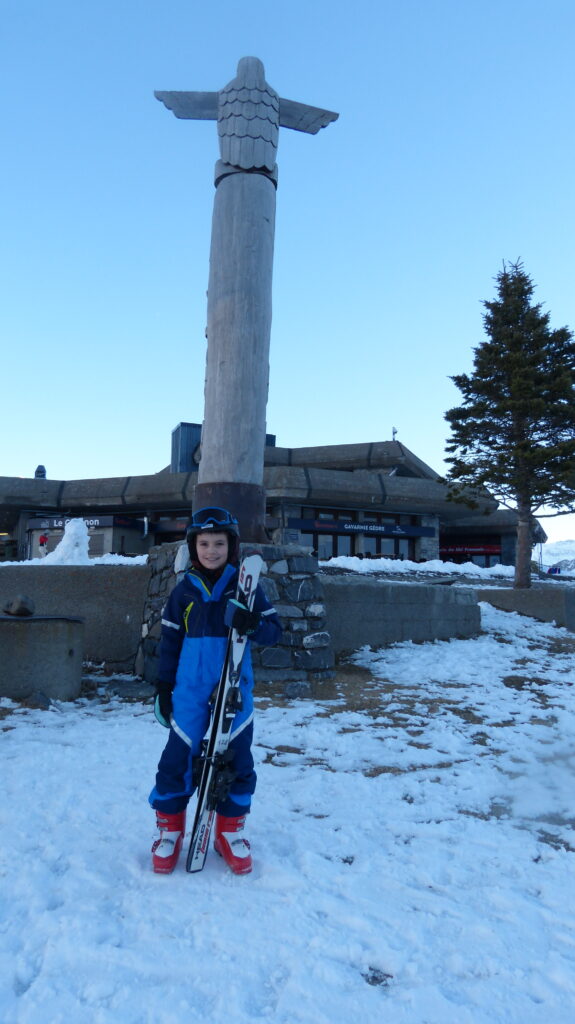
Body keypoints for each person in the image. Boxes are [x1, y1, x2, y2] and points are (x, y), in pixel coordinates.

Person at [149, 506, 282, 876]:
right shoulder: (183, 592)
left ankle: (229, 831)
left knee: (238, 759)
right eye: (204, 543)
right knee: (176, 758)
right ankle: (170, 831)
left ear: (231, 546)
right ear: (194, 547)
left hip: (235, 687)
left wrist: (251, 623)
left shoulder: (245, 587)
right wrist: (163, 687)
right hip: (189, 689)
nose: (211, 550)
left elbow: (274, 632)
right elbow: (170, 644)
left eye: (219, 543)